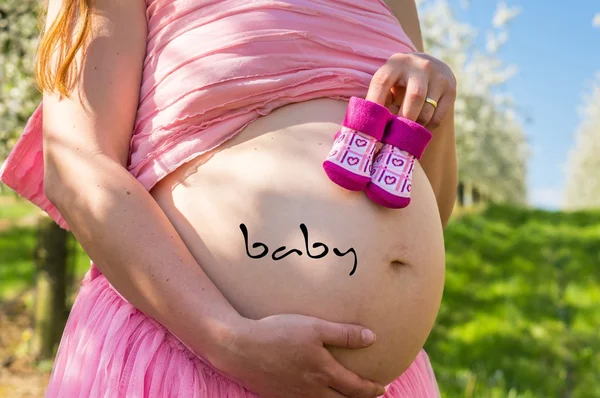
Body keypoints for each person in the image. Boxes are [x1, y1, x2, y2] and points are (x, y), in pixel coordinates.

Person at [0, 0, 457, 396]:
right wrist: (226, 339)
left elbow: (432, 209)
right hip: (189, 364)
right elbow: (77, 164)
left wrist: (434, 111)